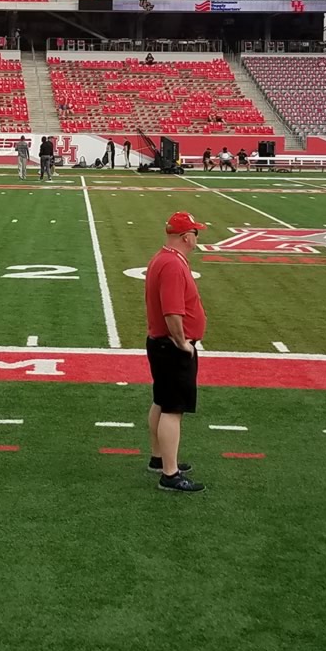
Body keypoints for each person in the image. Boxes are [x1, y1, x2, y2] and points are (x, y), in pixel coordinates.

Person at [145, 211, 208, 493]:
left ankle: (159, 459)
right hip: (171, 347)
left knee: (161, 401)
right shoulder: (172, 264)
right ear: (186, 237)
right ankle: (169, 474)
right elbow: (172, 312)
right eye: (195, 233)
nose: (197, 237)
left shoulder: (164, 258)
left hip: (160, 344)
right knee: (173, 409)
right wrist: (183, 343)